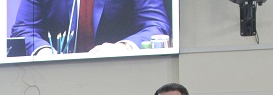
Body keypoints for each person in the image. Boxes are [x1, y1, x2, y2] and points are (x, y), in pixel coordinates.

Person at [11, 0, 170, 56]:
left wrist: (123, 47)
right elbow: (24, 29)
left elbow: (156, 26)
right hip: (55, 80)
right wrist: (43, 51)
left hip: (120, 75)